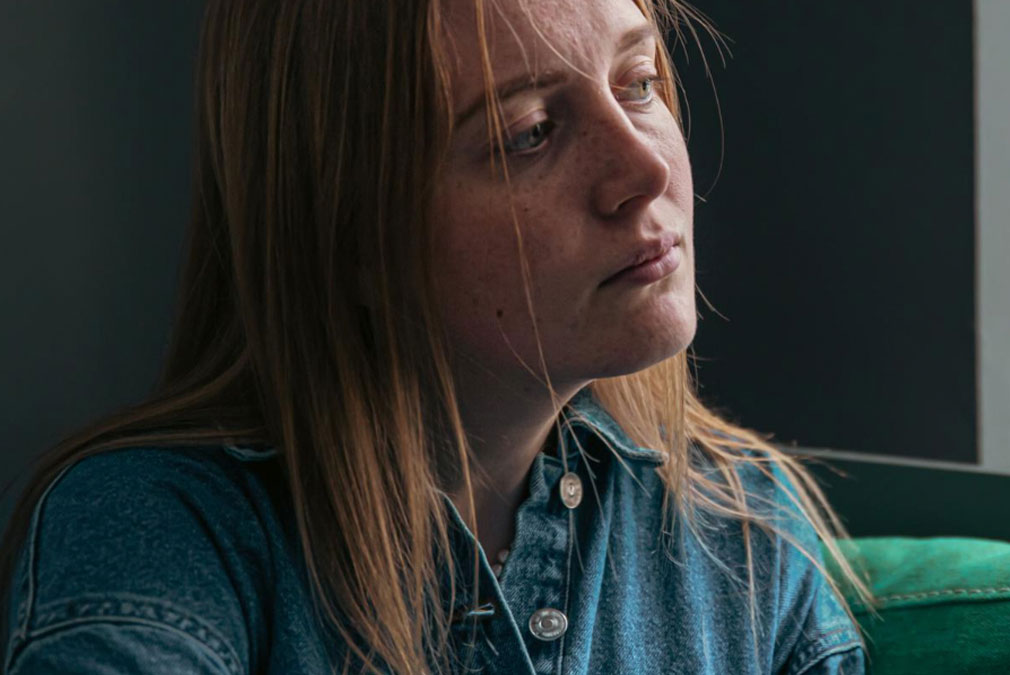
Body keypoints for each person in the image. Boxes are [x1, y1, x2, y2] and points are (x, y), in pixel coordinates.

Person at [0, 0, 873, 672]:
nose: (643, 168)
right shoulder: (162, 532)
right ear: (352, 238)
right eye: (530, 133)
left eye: (637, 83)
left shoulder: (742, 529)